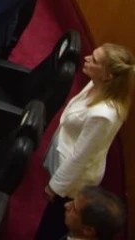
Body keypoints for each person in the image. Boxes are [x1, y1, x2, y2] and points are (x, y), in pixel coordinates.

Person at [34, 44, 134, 240]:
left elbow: (81, 156)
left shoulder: (104, 115)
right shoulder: (96, 84)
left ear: (108, 76)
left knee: (57, 223)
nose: (87, 58)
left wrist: (56, 186)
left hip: (74, 179)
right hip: (65, 158)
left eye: (95, 60)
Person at [57, 186, 127, 240]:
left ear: (88, 230)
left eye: (74, 210)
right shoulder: (76, 233)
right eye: (72, 201)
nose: (66, 205)